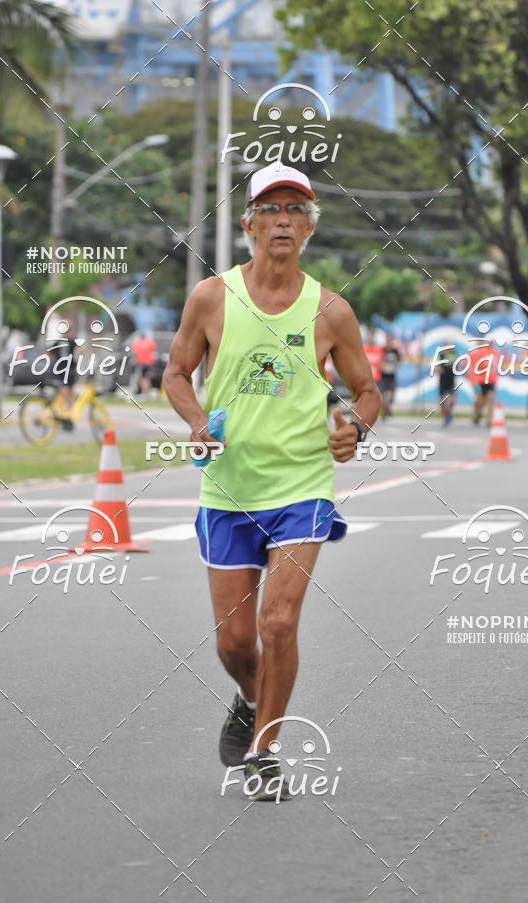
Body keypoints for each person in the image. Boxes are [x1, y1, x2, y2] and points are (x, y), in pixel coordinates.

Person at [163, 162, 381, 800]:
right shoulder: (210, 297)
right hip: (227, 488)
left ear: (309, 229)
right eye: (272, 209)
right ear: (249, 224)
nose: (283, 220)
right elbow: (176, 373)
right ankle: (249, 701)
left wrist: (355, 428)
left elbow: (367, 392)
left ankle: (263, 752)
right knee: (234, 644)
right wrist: (198, 420)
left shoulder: (331, 311)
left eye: (296, 211)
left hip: (302, 486)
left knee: (277, 622)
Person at [466, 338, 498, 426]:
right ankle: (477, 414)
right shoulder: (479, 352)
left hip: (491, 380)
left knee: (490, 398)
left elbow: (496, 365)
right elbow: (477, 366)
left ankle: (489, 419)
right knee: (480, 399)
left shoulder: (495, 352)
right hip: (479, 380)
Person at [379, 332, 400, 418]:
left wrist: (396, 366)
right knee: (383, 395)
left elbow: (399, 360)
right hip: (383, 375)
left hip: (392, 375)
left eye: (389, 339)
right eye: (387, 339)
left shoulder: (395, 350)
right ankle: (384, 411)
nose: (388, 340)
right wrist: (381, 365)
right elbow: (379, 360)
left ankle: (388, 407)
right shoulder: (382, 349)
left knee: (392, 395)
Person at [437, 346, 457, 426]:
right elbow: (435, 365)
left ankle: (448, 413)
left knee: (452, 399)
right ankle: (445, 417)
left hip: (451, 379)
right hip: (442, 380)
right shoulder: (440, 355)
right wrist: (437, 368)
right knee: (441, 400)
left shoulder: (454, 354)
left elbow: (459, 364)